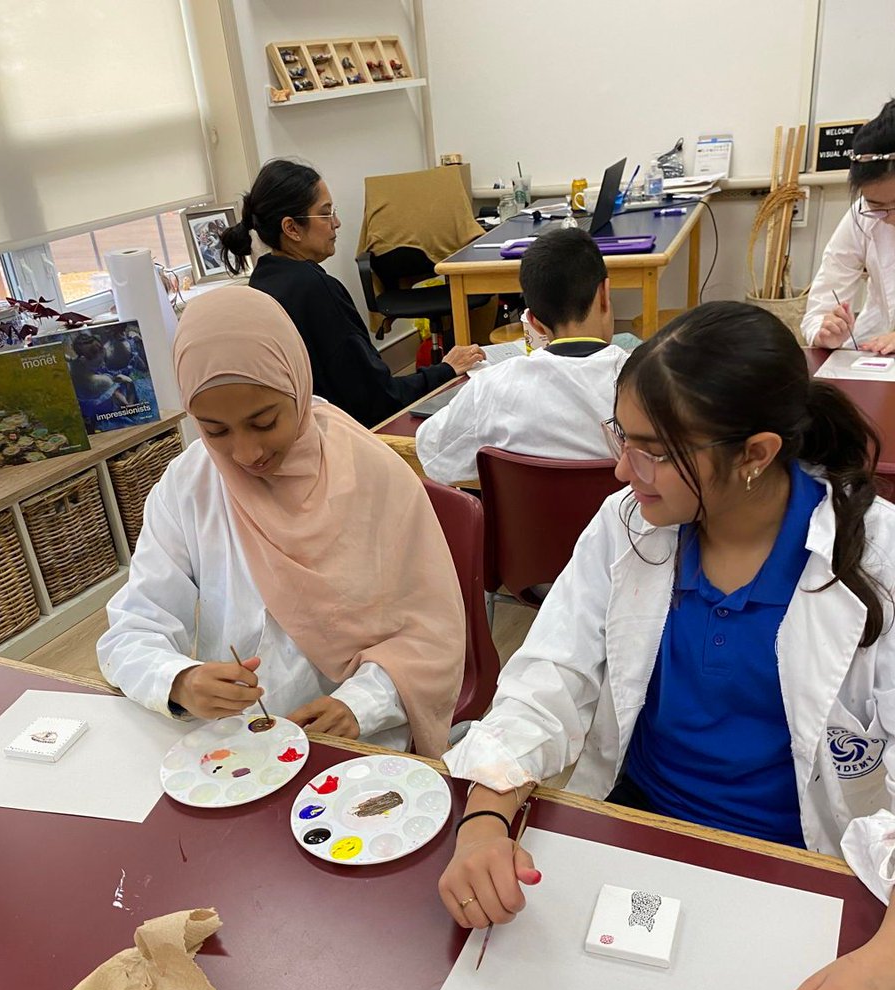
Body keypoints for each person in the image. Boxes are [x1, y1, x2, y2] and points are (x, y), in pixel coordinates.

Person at [438, 301, 895, 990]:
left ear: (756, 454)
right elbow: (550, 673)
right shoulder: (630, 526)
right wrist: (486, 817)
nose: (622, 470)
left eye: (653, 450)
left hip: (798, 869)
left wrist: (888, 966)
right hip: (637, 835)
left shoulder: (878, 559)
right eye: (622, 436)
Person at [97, 286, 465, 758]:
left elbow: (432, 633)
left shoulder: (372, 474)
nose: (246, 453)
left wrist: (360, 704)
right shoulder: (191, 485)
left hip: (357, 744)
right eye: (215, 430)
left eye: (265, 422)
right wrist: (179, 679)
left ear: (298, 385)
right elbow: (133, 627)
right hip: (238, 746)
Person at [218, 159, 484, 428]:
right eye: (325, 214)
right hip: (349, 432)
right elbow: (380, 400)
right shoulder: (315, 289)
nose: (337, 223)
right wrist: (446, 370)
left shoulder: (261, 281)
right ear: (291, 228)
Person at [415, 228, 626, 484]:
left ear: (534, 322)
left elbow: (431, 453)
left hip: (531, 512)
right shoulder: (648, 380)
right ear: (604, 294)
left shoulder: (490, 387)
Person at [802, 100, 895, 352]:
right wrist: (826, 330)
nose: (889, 217)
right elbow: (819, 310)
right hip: (877, 349)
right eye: (876, 205)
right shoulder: (862, 216)